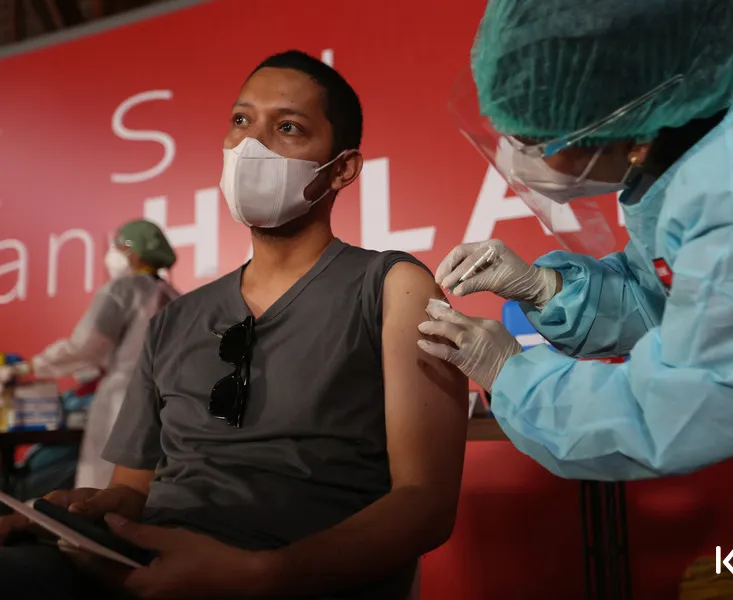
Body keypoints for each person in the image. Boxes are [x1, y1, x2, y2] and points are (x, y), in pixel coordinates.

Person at [417, 1, 733, 598]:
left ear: (624, 114)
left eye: (535, 139)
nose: (519, 159)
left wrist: (509, 373)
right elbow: (681, 297)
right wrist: (546, 288)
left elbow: (667, 414)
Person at [0, 49, 467, 600]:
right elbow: (133, 491)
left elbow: (425, 504)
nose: (252, 145)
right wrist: (86, 513)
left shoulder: (394, 288)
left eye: (288, 127)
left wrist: (266, 575)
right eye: (242, 120)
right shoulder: (173, 320)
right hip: (141, 569)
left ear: (342, 168)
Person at [0, 220, 179, 490]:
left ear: (134, 252)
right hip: (166, 406)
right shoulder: (175, 296)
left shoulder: (122, 290)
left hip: (121, 405)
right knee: (147, 491)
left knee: (104, 490)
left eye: (119, 245)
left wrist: (29, 367)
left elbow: (86, 347)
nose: (114, 251)